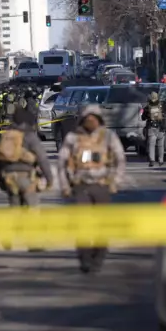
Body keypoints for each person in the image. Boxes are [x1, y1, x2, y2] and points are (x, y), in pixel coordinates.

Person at [57, 105, 126, 274]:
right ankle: (85, 260)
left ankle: (97, 260)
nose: (91, 121)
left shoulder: (108, 136)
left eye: (94, 118)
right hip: (81, 186)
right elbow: (62, 163)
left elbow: (120, 159)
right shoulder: (73, 138)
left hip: (102, 186)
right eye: (88, 118)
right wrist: (65, 186)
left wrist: (115, 182)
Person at [0, 107, 54, 209]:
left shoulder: (6, 136)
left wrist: (1, 181)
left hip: (9, 178)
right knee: (32, 211)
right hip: (27, 177)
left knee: (15, 210)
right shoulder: (29, 136)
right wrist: (49, 179)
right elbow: (42, 158)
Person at [142, 92, 166, 167]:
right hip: (161, 127)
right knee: (160, 145)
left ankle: (152, 160)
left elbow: (143, 118)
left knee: (151, 145)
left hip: (151, 127)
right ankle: (161, 160)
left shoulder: (147, 107)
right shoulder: (162, 105)